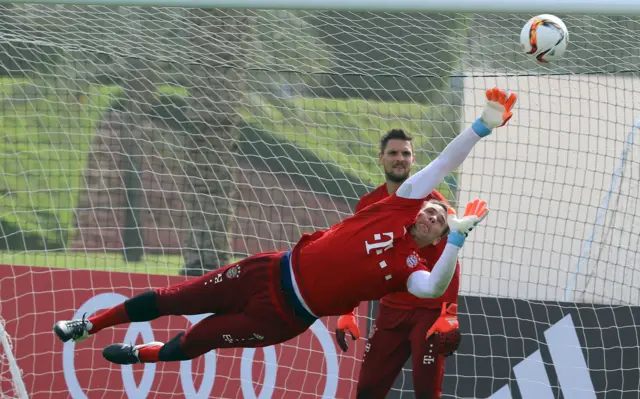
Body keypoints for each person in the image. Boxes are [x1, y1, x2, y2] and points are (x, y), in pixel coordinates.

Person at [53, 88, 516, 369]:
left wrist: (459, 235)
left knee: (199, 341)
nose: (432, 212)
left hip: (283, 317)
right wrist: (481, 126)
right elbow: (442, 162)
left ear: (437, 239)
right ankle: (86, 325)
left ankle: (144, 356)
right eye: (432, 209)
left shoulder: (414, 269)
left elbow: (433, 285)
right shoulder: (395, 204)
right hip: (269, 271)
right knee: (176, 299)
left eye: (440, 219)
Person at [334, 128, 461, 399]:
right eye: (393, 153)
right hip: (390, 310)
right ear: (381, 158)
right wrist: (349, 310)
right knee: (367, 390)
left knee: (427, 393)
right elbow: (356, 263)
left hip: (428, 313)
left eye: (406, 153)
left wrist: (448, 313)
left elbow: (451, 261)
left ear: (413, 160)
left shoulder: (435, 206)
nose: (399, 158)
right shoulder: (369, 204)